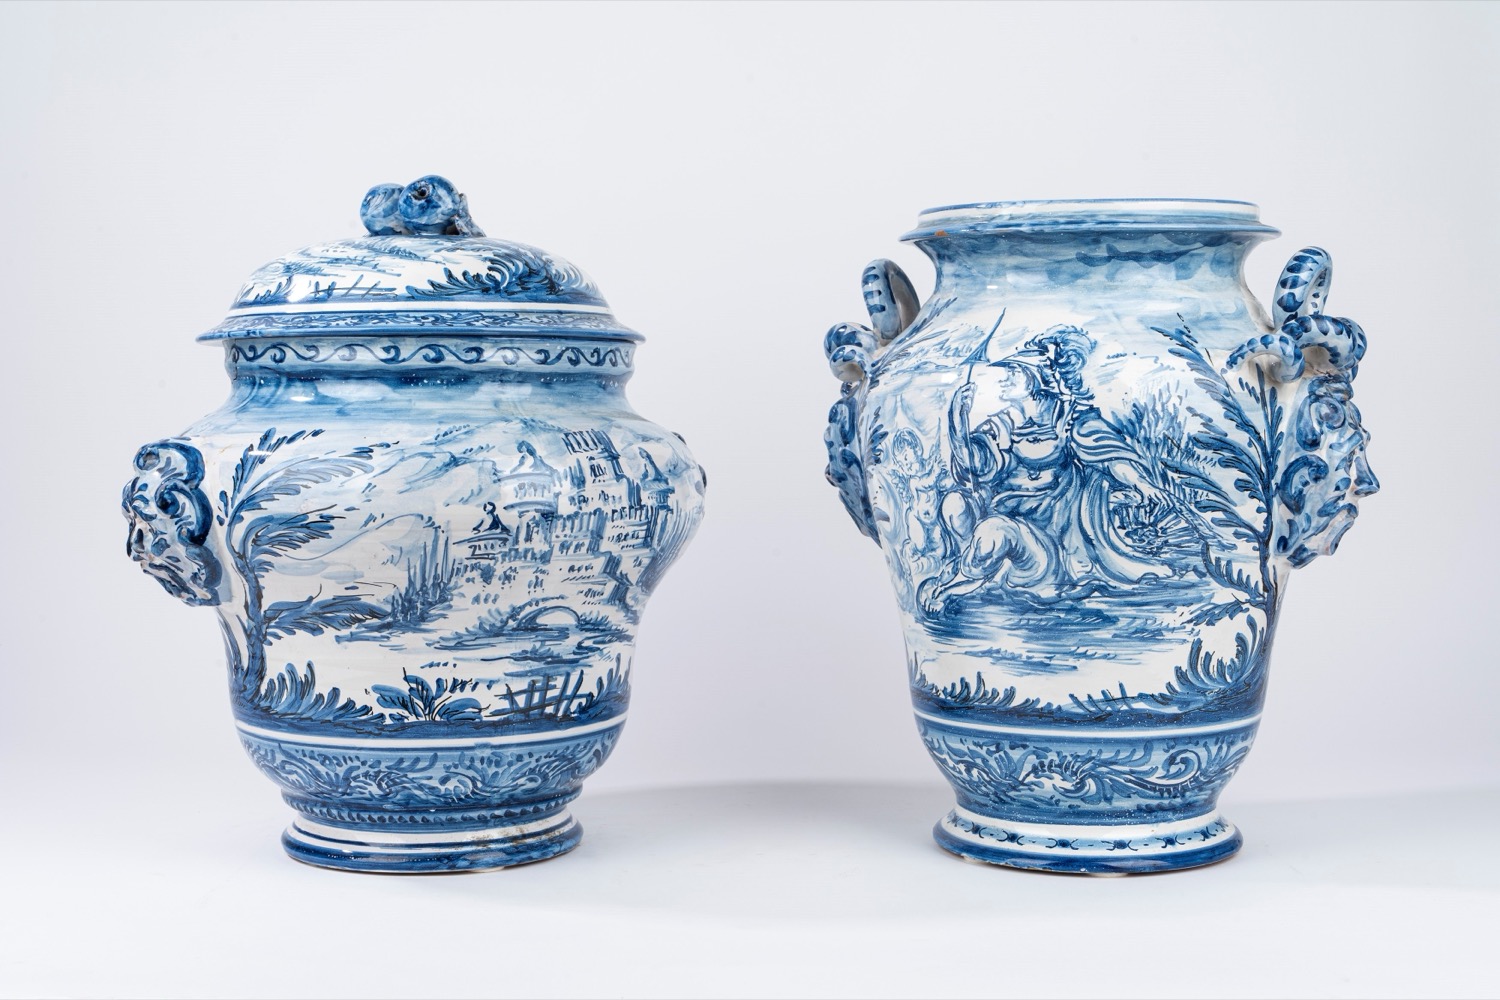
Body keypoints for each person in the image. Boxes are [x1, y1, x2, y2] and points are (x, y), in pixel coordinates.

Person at [919, 327, 1196, 614]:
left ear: (1037, 381)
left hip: (1050, 540)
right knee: (955, 504)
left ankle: (959, 584)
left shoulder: (1070, 420)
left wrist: (1141, 483)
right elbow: (974, 466)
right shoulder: (1005, 423)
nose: (1006, 380)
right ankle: (971, 572)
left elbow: (1111, 457)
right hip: (1005, 513)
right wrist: (957, 421)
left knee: (995, 531)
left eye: (1015, 373)